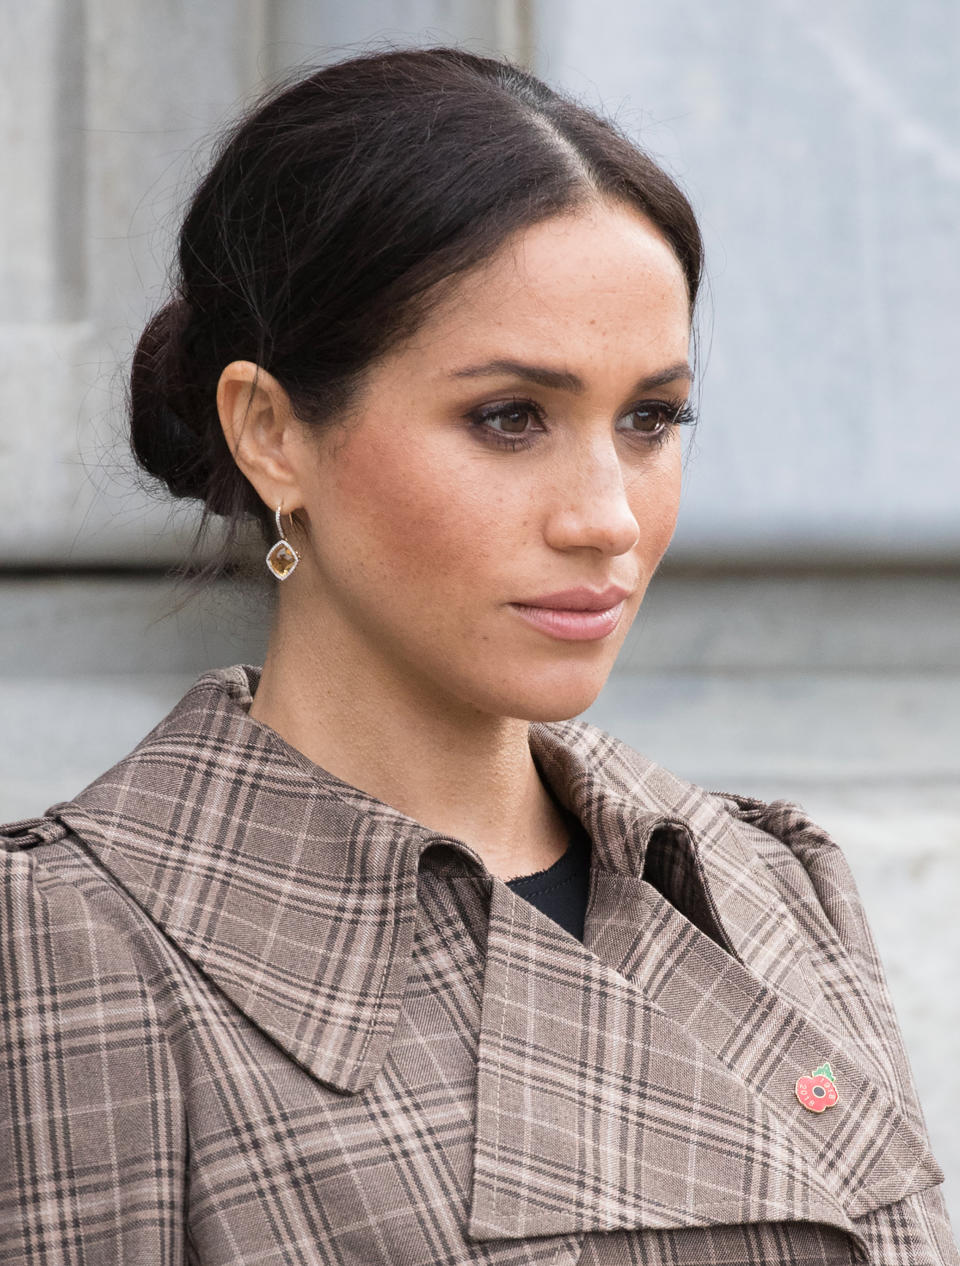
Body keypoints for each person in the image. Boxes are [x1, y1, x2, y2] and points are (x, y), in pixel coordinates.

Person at [1, 45, 956, 1266]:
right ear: (271, 431)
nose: (606, 514)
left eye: (651, 419)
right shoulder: (78, 954)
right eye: (511, 418)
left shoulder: (756, 886)